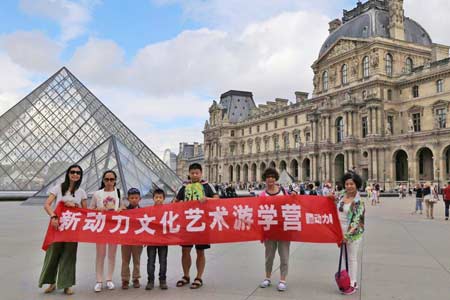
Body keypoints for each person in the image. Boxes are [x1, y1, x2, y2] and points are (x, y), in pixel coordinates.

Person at [38, 165, 87, 295]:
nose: (75, 174)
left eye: (78, 173)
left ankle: (67, 284)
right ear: (68, 173)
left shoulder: (81, 192)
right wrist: (53, 215)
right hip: (57, 226)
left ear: (80, 175)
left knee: (69, 256)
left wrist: (75, 205)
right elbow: (47, 205)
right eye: (73, 172)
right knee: (52, 254)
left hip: (72, 228)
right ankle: (51, 282)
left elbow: (85, 211)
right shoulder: (58, 188)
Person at [174, 163, 219, 289]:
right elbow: (175, 202)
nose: (194, 175)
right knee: (185, 251)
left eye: (197, 173)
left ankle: (199, 277)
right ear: (189, 174)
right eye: (192, 173)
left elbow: (217, 200)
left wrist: (207, 199)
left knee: (200, 251)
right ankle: (186, 275)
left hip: (202, 223)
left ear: (201, 173)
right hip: (187, 223)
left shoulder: (207, 186)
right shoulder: (183, 187)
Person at [90, 170, 124, 292]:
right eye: (107, 179)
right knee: (100, 254)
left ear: (115, 180)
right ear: (103, 180)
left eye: (112, 179)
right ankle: (99, 280)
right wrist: (97, 210)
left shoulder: (119, 193)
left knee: (112, 255)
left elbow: (123, 207)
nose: (109, 182)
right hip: (101, 227)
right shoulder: (97, 194)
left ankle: (109, 279)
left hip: (114, 227)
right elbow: (90, 210)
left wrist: (121, 209)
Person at [258, 168, 290, 292]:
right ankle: (267, 277)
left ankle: (283, 280)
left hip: (283, 229)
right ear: (265, 179)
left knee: (284, 256)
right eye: (268, 176)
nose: (270, 179)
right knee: (269, 256)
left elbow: (292, 205)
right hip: (269, 229)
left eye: (272, 176)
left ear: (276, 178)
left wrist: (294, 197)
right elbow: (258, 213)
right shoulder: (262, 195)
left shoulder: (284, 191)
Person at [337, 172, 365, 295]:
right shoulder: (341, 196)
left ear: (356, 185)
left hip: (352, 233)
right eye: (347, 184)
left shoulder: (358, 201)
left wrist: (347, 236)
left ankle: (352, 283)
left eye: (351, 184)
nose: (349, 186)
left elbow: (356, 221)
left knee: (352, 258)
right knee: (345, 257)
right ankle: (348, 279)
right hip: (340, 232)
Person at [146, 188, 169, 290]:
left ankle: (162, 280)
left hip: (163, 240)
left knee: (163, 261)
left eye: (160, 197)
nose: (158, 199)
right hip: (151, 240)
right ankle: (150, 281)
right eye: (156, 197)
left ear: (163, 199)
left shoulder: (167, 211)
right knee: (151, 261)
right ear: (153, 198)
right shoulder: (149, 210)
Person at [121, 188, 144, 290]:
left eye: (136, 198)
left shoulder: (144, 211)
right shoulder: (124, 210)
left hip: (138, 240)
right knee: (125, 260)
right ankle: (125, 279)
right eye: (132, 198)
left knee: (136, 260)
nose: (134, 200)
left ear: (140, 199)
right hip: (126, 239)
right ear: (128, 199)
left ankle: (136, 278)